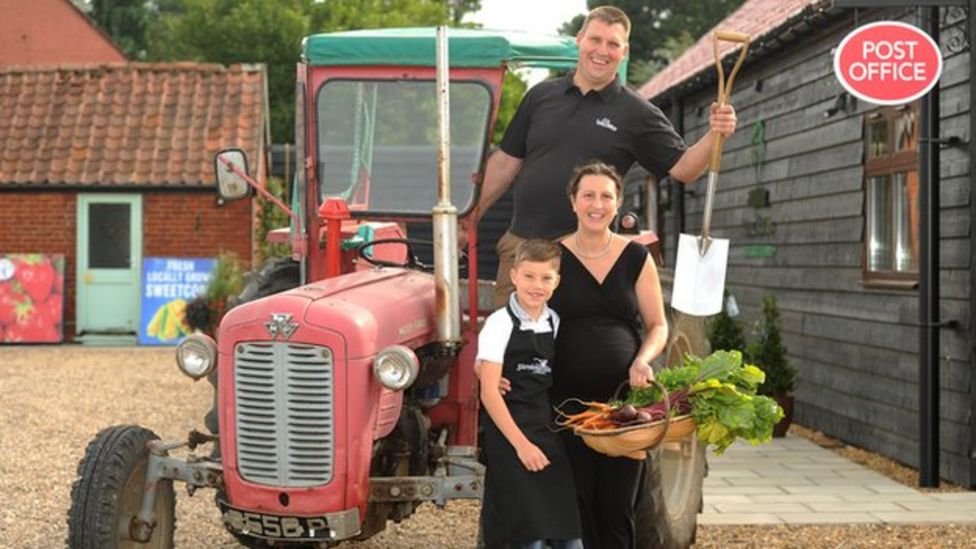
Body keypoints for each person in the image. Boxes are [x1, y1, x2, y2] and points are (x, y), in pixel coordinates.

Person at [459, 5, 737, 307]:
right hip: (524, 250)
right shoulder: (540, 97)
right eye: (596, 40)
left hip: (588, 256)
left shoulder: (636, 112)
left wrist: (714, 135)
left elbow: (684, 168)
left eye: (613, 44)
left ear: (624, 50)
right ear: (579, 39)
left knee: (580, 351)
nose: (602, 51)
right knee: (515, 347)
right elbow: (504, 163)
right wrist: (466, 222)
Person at [548, 161, 666, 548]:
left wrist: (642, 359)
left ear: (618, 204)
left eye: (606, 196)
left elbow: (658, 326)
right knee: (576, 507)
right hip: (567, 406)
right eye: (588, 195)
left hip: (624, 407)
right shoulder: (552, 257)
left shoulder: (636, 258)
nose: (596, 204)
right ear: (573, 201)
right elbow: (528, 322)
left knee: (617, 508)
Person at [476, 239, 582, 549]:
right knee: (529, 537)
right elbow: (490, 394)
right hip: (509, 434)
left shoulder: (554, 321)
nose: (537, 285)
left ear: (557, 281)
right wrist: (522, 446)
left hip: (544, 429)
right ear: (513, 276)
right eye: (529, 276)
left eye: (546, 278)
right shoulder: (498, 324)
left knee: (569, 535)